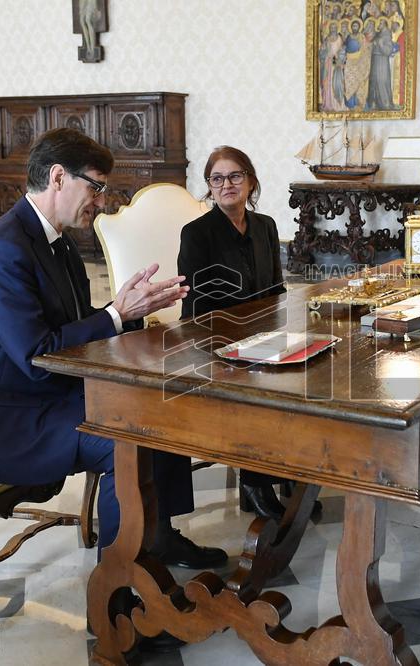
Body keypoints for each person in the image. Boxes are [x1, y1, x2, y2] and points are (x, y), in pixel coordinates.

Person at [0, 128, 228, 573]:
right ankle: (115, 597)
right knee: (124, 441)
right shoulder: (0, 250)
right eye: (95, 186)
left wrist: (130, 312)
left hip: (50, 394)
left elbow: (75, 324)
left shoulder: (57, 241)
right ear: (58, 177)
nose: (101, 199)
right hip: (10, 417)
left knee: (165, 405)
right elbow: (37, 354)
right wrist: (115, 313)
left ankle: (159, 539)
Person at [178, 146, 290, 521]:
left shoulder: (266, 226)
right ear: (209, 187)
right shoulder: (196, 234)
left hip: (263, 336)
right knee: (256, 385)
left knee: (302, 376)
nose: (227, 185)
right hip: (214, 342)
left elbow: (276, 291)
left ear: (251, 180)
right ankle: (256, 481)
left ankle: (290, 473)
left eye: (235, 176)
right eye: (217, 178)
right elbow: (195, 308)